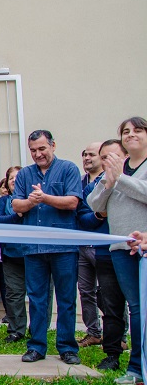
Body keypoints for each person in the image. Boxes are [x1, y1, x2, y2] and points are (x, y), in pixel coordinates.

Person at [13, 129, 82, 365]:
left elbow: (72, 201)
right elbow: (16, 205)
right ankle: (36, 346)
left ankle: (67, 347)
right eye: (33, 150)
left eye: (42, 148)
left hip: (63, 247)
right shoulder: (24, 174)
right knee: (37, 299)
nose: (38, 154)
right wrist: (30, 202)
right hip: (33, 247)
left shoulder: (69, 168)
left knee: (66, 299)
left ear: (53, 145)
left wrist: (44, 198)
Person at [88, 117, 147, 385]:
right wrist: (109, 181)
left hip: (144, 247)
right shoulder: (115, 170)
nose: (130, 135)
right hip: (120, 249)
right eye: (125, 131)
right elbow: (95, 205)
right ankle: (136, 367)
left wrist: (120, 179)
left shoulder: (132, 171)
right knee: (135, 309)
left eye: (137, 130)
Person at [78, 139, 129, 371]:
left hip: (132, 248)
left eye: (112, 156)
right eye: (105, 156)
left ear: (125, 157)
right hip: (104, 252)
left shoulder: (132, 179)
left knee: (135, 304)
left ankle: (134, 349)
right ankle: (111, 353)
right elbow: (90, 210)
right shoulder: (97, 185)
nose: (108, 160)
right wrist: (107, 186)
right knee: (109, 304)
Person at [0, 166, 27, 343]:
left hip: (34, 254)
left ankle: (39, 328)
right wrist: (17, 216)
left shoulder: (34, 200)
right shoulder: (3, 201)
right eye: (11, 177)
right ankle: (16, 329)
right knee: (14, 293)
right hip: (11, 255)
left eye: (18, 177)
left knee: (39, 294)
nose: (14, 180)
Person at [77, 142, 105, 347]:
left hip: (102, 245)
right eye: (85, 154)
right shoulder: (80, 182)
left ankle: (118, 335)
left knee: (108, 290)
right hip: (82, 243)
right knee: (86, 290)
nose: (87, 158)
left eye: (92, 155)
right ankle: (93, 331)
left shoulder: (108, 181)